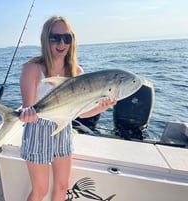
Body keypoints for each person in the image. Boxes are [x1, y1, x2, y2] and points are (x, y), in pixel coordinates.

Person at [19, 15, 116, 201]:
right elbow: (28, 108)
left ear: (72, 40)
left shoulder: (77, 73)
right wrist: (26, 114)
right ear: (45, 40)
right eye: (55, 38)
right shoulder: (33, 69)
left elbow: (80, 112)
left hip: (63, 129)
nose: (61, 43)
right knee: (40, 191)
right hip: (38, 129)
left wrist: (102, 107)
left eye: (67, 38)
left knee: (62, 187)